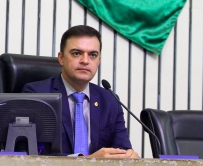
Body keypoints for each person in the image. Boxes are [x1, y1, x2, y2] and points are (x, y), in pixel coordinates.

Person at [22, 25, 139, 158]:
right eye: (77, 53)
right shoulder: (37, 94)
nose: (85, 61)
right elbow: (30, 154)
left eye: (93, 55)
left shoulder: (110, 100)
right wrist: (89, 161)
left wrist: (128, 156)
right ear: (61, 58)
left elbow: (122, 148)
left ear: (99, 61)